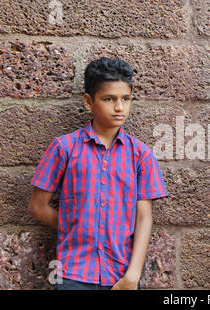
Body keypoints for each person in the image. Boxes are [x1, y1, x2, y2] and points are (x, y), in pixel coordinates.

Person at [28, 57, 167, 290]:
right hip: (74, 274)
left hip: (121, 275)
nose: (119, 107)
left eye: (126, 98)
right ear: (88, 101)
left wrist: (132, 277)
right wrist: (78, 227)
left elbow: (144, 219)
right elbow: (37, 206)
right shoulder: (64, 148)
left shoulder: (141, 155)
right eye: (108, 99)